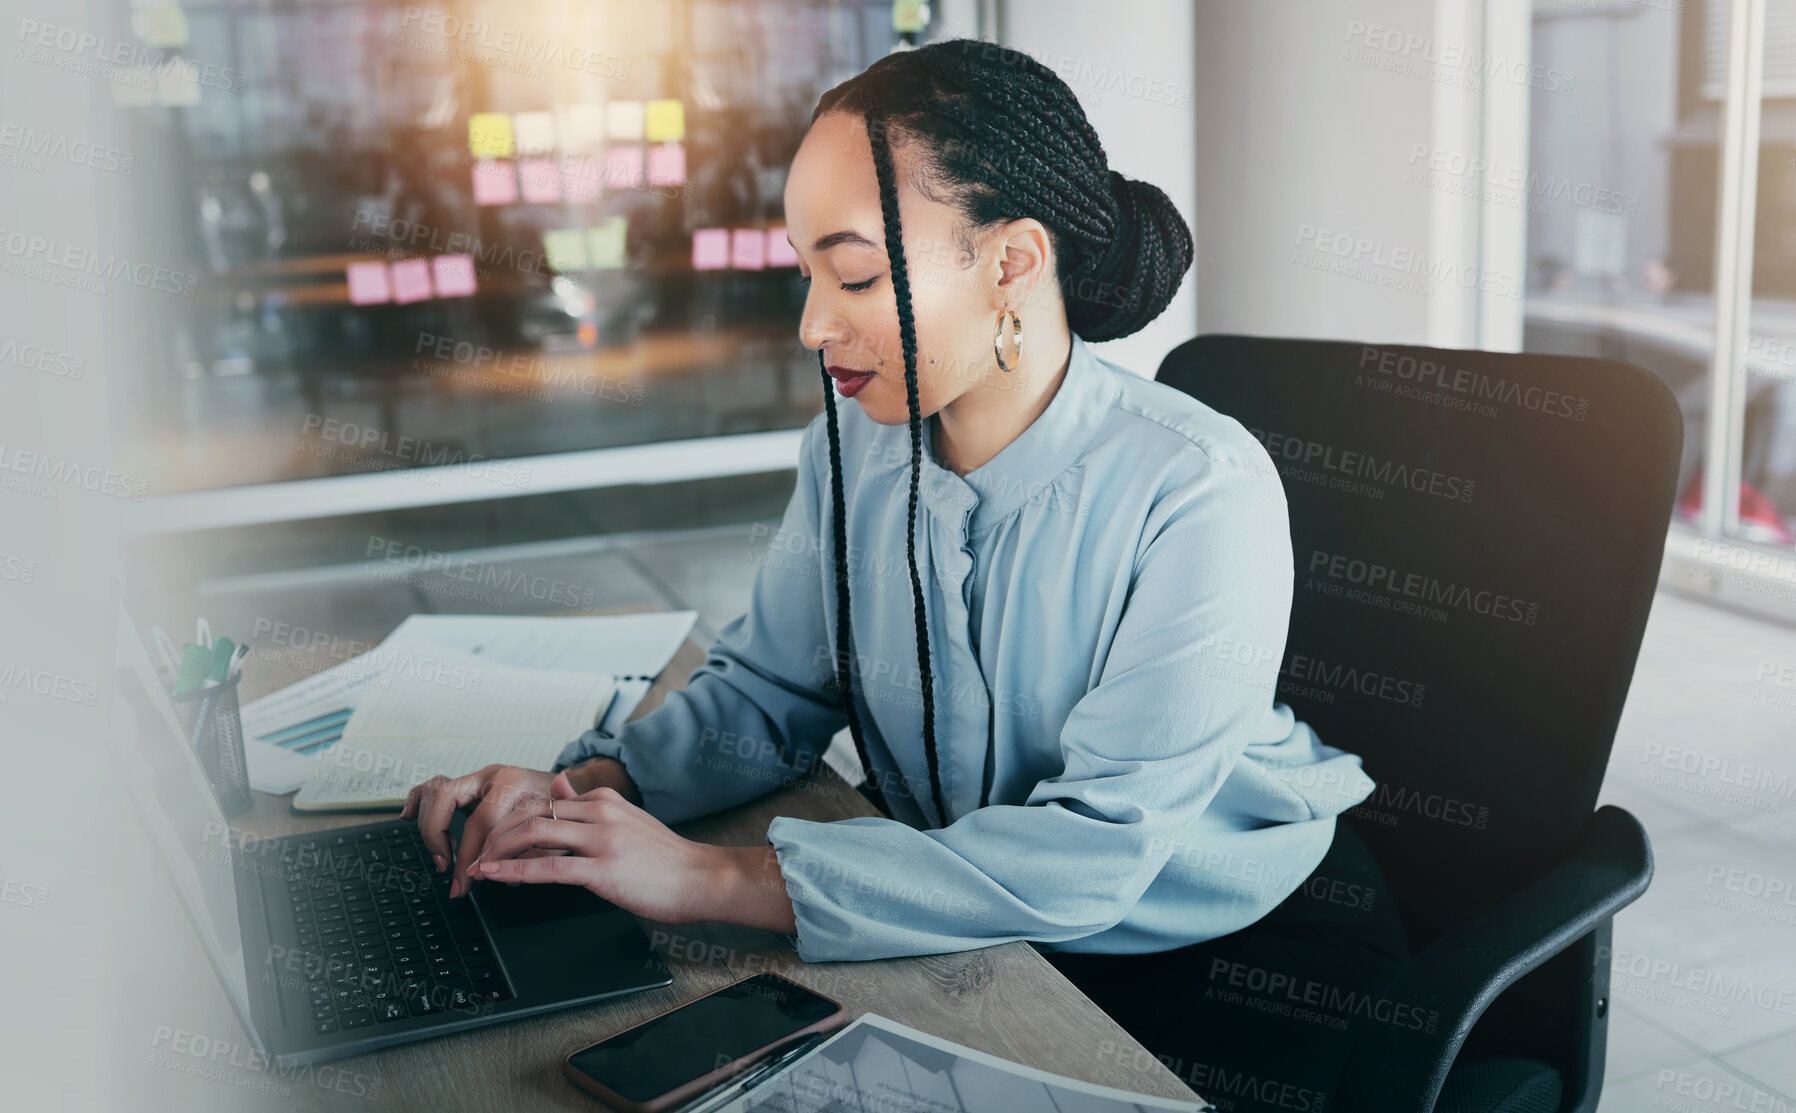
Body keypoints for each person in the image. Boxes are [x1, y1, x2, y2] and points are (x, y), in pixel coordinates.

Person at [403, 39, 1400, 1109]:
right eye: (805, 272)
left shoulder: (1199, 486)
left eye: (857, 274)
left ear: (1012, 262)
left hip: (1220, 944)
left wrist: (702, 876)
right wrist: (582, 797)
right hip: (970, 906)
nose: (812, 324)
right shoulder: (852, 443)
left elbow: (1095, 854)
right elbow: (773, 692)